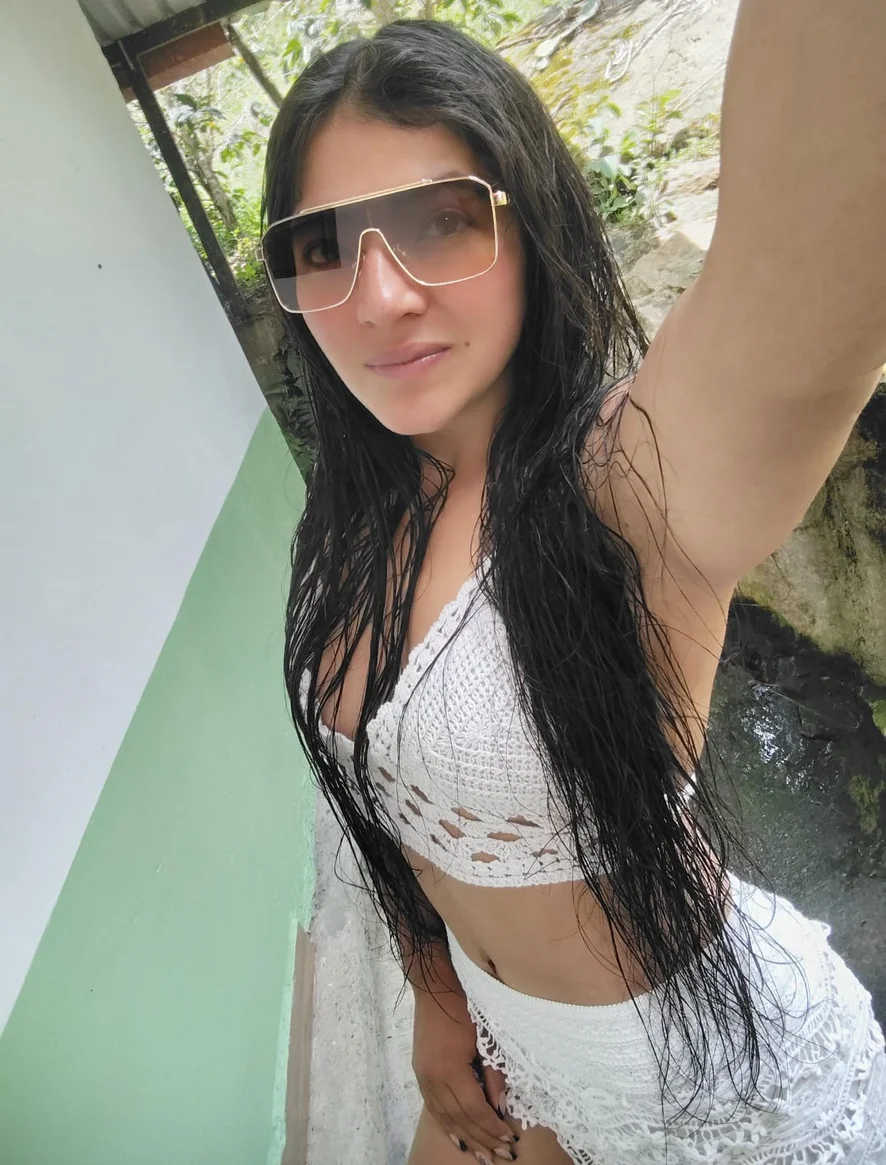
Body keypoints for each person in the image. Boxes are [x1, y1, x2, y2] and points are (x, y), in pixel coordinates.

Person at [260, 8, 886, 1163]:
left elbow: (824, 215)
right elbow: (394, 823)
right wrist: (437, 1001)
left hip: (724, 1089)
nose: (378, 295)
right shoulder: (349, 522)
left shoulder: (628, 484)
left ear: (531, 220)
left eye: (439, 221)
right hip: (518, 1050)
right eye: (325, 246)